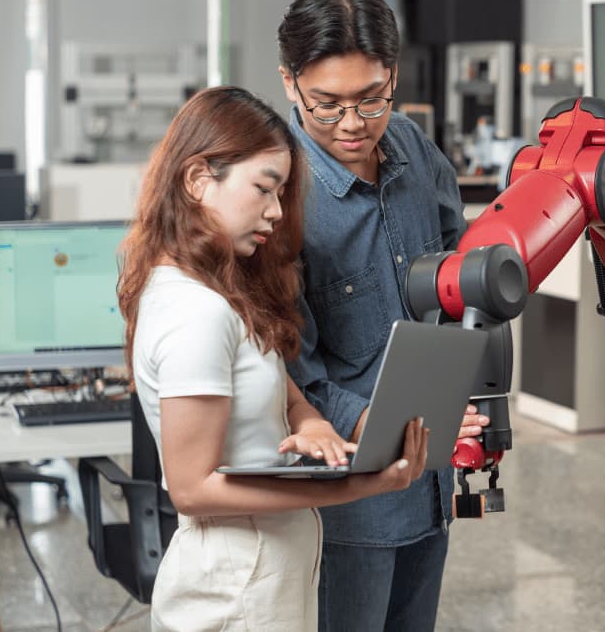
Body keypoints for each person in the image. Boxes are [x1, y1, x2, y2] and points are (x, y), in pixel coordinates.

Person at [118, 86, 429, 631]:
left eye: (282, 192)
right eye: (264, 189)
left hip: (263, 582)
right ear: (197, 180)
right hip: (235, 593)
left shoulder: (220, 293)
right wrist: (359, 485)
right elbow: (191, 489)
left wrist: (312, 425)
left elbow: (285, 392)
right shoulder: (197, 313)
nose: (276, 211)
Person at [277, 0, 487, 631]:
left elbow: (460, 276)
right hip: (349, 494)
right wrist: (368, 420)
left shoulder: (414, 150)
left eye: (371, 99)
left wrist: (463, 385)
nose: (351, 124)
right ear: (290, 84)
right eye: (327, 105)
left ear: (393, 75)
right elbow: (289, 364)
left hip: (432, 479)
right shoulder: (280, 193)